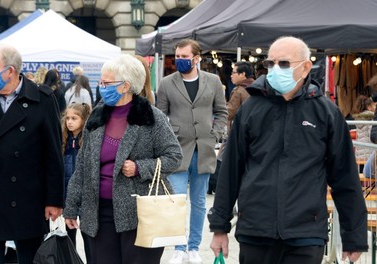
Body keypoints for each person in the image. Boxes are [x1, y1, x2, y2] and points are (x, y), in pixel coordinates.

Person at [209, 36, 368, 264]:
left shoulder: (326, 114)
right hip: (256, 229)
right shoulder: (251, 110)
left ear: (305, 68)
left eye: (283, 63)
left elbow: (345, 178)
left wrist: (354, 236)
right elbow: (230, 172)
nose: (275, 69)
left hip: (306, 232)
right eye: (270, 63)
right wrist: (219, 227)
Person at [63, 54, 182, 264]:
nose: (102, 87)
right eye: (101, 82)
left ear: (125, 85)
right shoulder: (97, 117)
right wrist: (71, 206)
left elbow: (174, 157)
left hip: (140, 215)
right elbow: (82, 166)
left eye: (107, 83)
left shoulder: (151, 117)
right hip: (99, 213)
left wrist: (139, 167)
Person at [0, 44, 65, 264]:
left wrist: (54, 200)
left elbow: (53, 154)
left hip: (28, 198)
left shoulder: (42, 99)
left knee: (29, 258)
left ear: (10, 71)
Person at [156, 38, 227, 264]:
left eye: (184, 57)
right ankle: (179, 246)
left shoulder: (214, 81)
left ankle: (194, 246)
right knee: (176, 200)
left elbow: (221, 111)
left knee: (198, 201)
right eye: (177, 57)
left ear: (196, 58)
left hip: (204, 148)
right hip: (177, 149)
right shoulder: (167, 83)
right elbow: (160, 115)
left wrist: (215, 134)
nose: (180, 60)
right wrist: (167, 140)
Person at [208, 62, 254, 195]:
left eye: (234, 73)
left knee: (222, 159)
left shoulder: (239, 90)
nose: (231, 76)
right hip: (251, 132)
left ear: (243, 74)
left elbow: (229, 112)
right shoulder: (257, 87)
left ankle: (216, 186)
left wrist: (216, 108)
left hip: (236, 132)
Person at [61, 102, 93, 263]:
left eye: (74, 118)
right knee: (69, 235)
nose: (69, 122)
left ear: (83, 119)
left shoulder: (88, 140)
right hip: (68, 196)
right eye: (67, 118)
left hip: (86, 196)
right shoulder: (63, 141)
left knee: (88, 236)